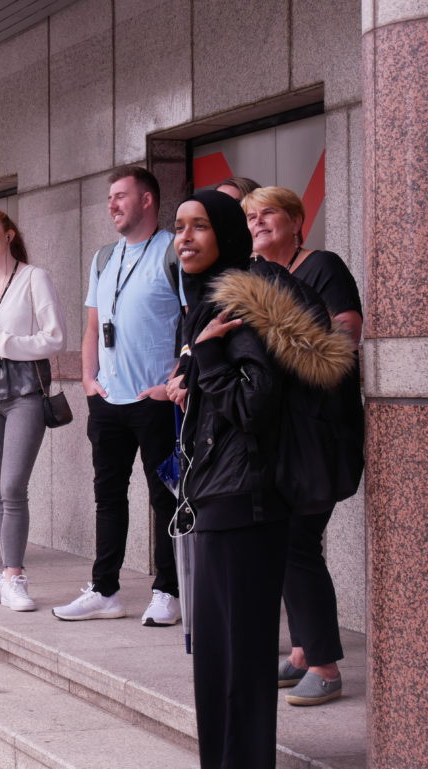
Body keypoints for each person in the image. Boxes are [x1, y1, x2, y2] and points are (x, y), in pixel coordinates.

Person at [170, 189, 353, 769]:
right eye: (179, 227)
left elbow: (255, 403)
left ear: (225, 232)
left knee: (237, 662)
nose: (185, 237)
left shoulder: (237, 300)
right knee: (221, 660)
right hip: (226, 493)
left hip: (244, 496)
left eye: (200, 226)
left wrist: (209, 358)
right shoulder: (221, 295)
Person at [242, 185, 363, 706]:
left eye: (269, 213)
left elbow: (345, 337)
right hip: (281, 435)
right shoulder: (253, 277)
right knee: (287, 541)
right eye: (251, 216)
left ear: (297, 221)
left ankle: (326, 667)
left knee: (296, 540)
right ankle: (301, 652)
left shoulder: (323, 267)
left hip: (319, 432)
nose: (258, 222)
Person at [52, 166, 181, 626]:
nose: (112, 205)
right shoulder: (104, 258)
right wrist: (89, 381)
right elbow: (92, 325)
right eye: (109, 198)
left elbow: (194, 323)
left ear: (147, 200)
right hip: (107, 401)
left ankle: (169, 590)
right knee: (108, 496)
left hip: (156, 401)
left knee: (166, 497)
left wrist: (175, 383)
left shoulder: (172, 251)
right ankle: (105, 589)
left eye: (120, 196)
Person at [0, 209, 66, 612]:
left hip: (24, 392)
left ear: (8, 235)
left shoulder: (34, 278)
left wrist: (4, 342)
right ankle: (6, 575)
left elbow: (55, 338)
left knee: (13, 487)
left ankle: (16, 577)